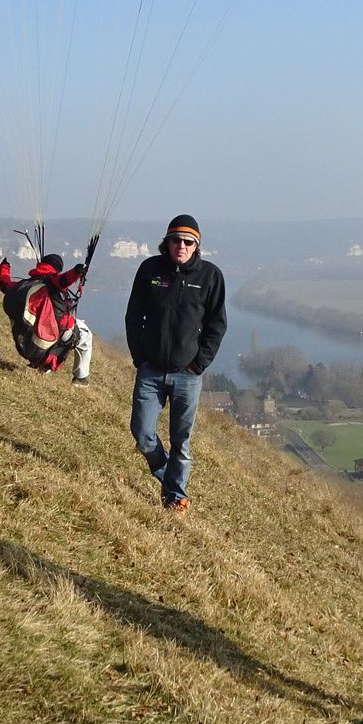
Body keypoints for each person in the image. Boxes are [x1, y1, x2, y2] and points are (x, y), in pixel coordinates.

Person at [124, 214, 226, 515]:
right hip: (150, 370)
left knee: (181, 442)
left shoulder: (210, 276)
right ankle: (168, 475)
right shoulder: (150, 270)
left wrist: (199, 364)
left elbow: (217, 325)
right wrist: (139, 357)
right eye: (175, 240)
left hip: (188, 375)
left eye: (187, 242)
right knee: (142, 434)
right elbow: (133, 316)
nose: (181, 246)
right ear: (166, 242)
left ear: (197, 246)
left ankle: (175, 497)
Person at [0, 252, 93, 382]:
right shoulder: (53, 282)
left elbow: (5, 284)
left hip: (27, 343)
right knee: (85, 335)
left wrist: (4, 267)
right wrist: (77, 271)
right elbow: (64, 280)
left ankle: (43, 366)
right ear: (57, 268)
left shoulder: (23, 286)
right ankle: (81, 379)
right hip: (50, 340)